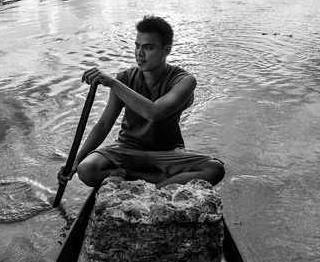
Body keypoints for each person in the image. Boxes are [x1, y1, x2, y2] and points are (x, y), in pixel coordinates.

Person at [58, 15, 224, 189]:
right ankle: (156, 181)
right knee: (87, 169)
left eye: (148, 47)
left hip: (166, 153)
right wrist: (76, 161)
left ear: (166, 50)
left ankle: (152, 189)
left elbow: (154, 113)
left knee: (214, 168)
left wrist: (113, 83)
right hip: (127, 149)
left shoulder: (184, 80)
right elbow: (104, 124)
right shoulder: (125, 78)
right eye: (137, 46)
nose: (139, 53)